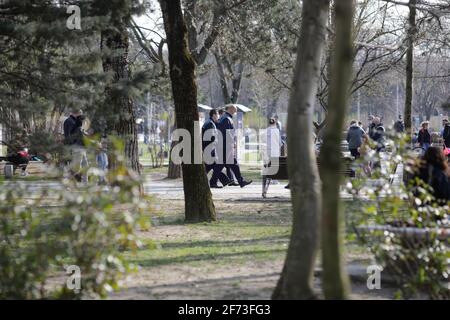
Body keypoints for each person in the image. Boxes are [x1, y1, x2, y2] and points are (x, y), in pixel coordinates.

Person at [217, 104, 252, 188]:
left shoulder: (225, 118)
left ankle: (241, 181)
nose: (235, 112)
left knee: (234, 164)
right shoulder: (226, 118)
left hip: (225, 145)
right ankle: (213, 181)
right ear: (230, 109)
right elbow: (228, 133)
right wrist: (232, 143)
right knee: (220, 165)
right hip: (226, 145)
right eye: (234, 110)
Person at [202, 109, 231, 188]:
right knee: (217, 165)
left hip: (209, 149)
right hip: (209, 149)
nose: (219, 116)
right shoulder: (210, 124)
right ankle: (219, 181)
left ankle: (222, 180)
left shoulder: (210, 123)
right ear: (214, 115)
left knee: (212, 166)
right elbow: (210, 138)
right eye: (218, 114)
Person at [63, 109, 88, 182]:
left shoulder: (76, 121)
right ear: (78, 113)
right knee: (76, 168)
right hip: (76, 147)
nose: (81, 115)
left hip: (81, 147)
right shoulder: (69, 121)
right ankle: (69, 182)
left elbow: (79, 133)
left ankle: (85, 184)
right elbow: (68, 136)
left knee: (85, 166)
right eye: (81, 113)